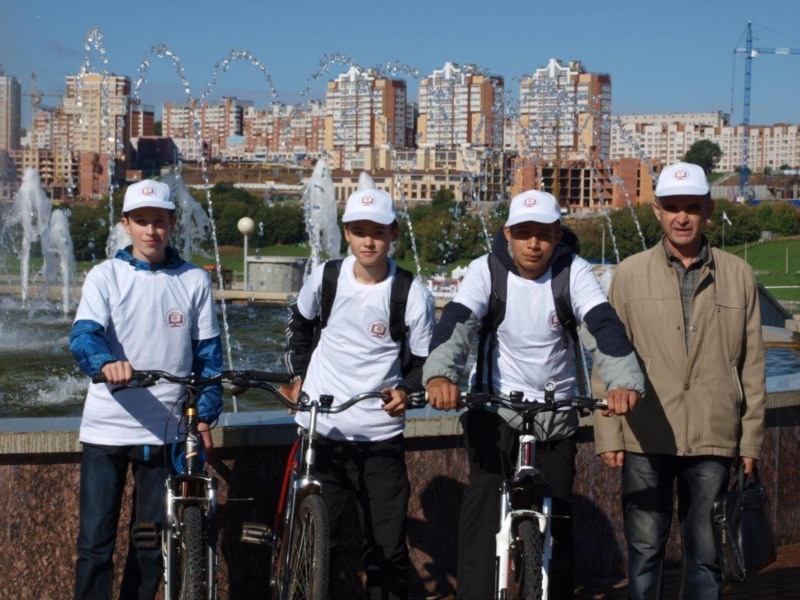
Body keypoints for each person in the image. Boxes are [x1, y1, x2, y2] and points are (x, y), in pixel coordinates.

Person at [424, 189, 644, 600]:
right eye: (523, 233)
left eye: (544, 234)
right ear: (507, 233)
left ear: (558, 235)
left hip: (555, 412)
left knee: (558, 520)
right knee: (484, 508)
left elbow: (602, 327)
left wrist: (624, 382)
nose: (534, 244)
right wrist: (439, 375)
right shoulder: (486, 271)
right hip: (495, 409)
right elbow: (457, 323)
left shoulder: (573, 272)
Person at [593, 161, 766, 600]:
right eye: (672, 207)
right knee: (644, 551)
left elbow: (751, 366)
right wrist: (608, 432)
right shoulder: (630, 274)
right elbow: (608, 356)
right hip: (645, 432)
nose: (682, 217)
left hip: (713, 433)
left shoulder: (738, 275)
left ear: (708, 210)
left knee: (706, 556)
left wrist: (749, 441)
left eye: (692, 207)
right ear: (657, 211)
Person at [70, 179, 223, 600]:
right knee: (95, 545)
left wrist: (205, 415)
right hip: (107, 429)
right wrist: (106, 363)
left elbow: (208, 358)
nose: (150, 230)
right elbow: (84, 336)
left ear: (172, 223)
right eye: (141, 221)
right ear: (126, 224)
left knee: (153, 546)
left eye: (159, 221)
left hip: (166, 432)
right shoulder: (106, 276)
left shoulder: (194, 279)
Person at [282, 188, 436, 599]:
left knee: (386, 549)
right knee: (313, 546)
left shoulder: (410, 292)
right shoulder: (327, 277)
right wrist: (299, 376)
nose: (369, 241)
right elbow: (299, 326)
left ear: (394, 234)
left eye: (378, 232)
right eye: (359, 231)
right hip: (322, 432)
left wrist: (407, 392)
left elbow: (426, 363)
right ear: (346, 233)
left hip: (379, 439)